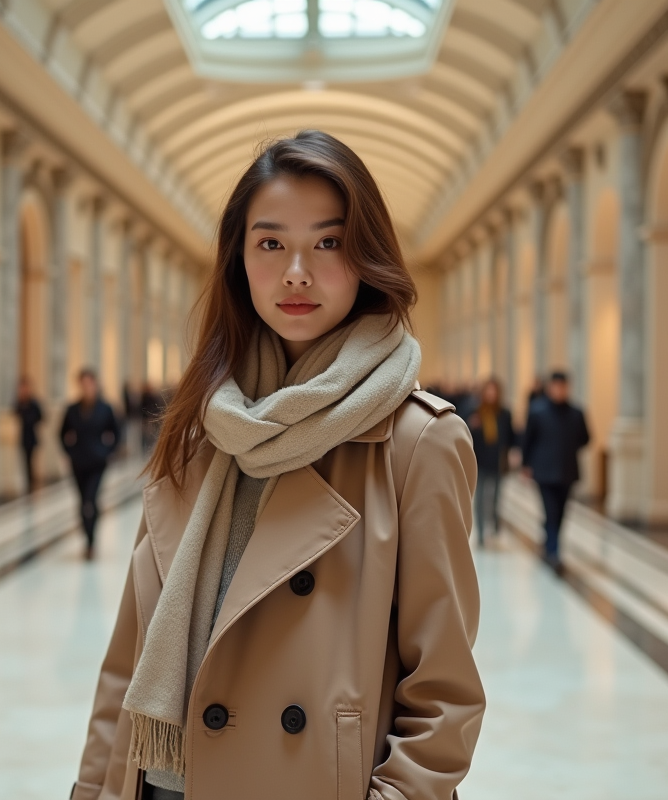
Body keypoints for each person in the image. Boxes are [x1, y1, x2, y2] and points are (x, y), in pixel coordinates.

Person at [70, 131, 483, 800]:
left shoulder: (417, 442)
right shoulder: (200, 425)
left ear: (365, 256)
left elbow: (443, 694)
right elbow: (129, 658)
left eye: (327, 243)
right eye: (270, 243)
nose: (297, 271)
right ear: (238, 260)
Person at [522, 370, 590, 573]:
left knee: (560, 513)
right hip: (544, 472)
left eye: (563, 387)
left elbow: (586, 438)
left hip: (567, 471)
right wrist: (526, 465)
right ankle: (554, 553)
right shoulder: (537, 411)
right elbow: (528, 440)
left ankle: (551, 541)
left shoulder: (577, 413)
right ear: (550, 387)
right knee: (551, 511)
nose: (559, 390)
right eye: (556, 386)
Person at [61, 369, 121, 560]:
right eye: (83, 384)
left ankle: (91, 542)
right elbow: (62, 434)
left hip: (97, 462)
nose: (86, 387)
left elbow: (117, 432)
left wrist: (108, 452)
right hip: (78, 463)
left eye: (89, 383)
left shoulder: (105, 408)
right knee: (82, 502)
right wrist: (70, 452)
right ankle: (87, 537)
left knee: (91, 499)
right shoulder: (72, 409)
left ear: (95, 384)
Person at [468, 377, 514, 544]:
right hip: (479, 461)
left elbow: (510, 437)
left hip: (497, 461)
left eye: (494, 391)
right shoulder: (476, 412)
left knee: (495, 497)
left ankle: (494, 525)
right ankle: (480, 533)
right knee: (479, 498)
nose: (491, 394)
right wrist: (473, 425)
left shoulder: (505, 413)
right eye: (488, 390)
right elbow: (466, 435)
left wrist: (512, 454)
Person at [14, 375, 43, 494]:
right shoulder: (20, 402)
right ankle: (27, 482)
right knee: (24, 460)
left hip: (32, 436)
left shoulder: (34, 402)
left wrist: (31, 420)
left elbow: (41, 417)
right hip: (23, 436)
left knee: (31, 460)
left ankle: (31, 482)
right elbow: (15, 414)